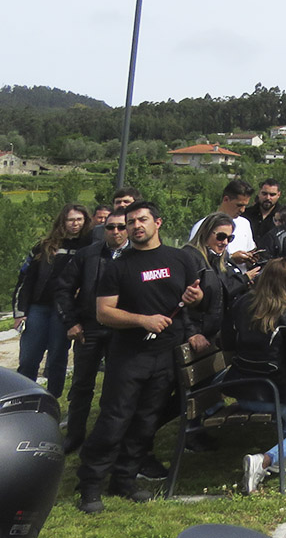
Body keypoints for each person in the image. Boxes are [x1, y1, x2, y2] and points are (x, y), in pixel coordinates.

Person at [76, 201, 205, 514]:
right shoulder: (117, 266)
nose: (135, 226)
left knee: (146, 421)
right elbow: (103, 312)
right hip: (130, 355)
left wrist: (195, 297)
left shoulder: (180, 258)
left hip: (166, 354)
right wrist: (143, 320)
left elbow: (196, 299)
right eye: (130, 221)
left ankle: (125, 478)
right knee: (114, 419)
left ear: (157, 222)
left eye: (141, 220)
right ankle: (90, 484)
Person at [223, 259, 286, 494]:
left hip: (242, 388)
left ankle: (284, 458)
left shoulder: (243, 303)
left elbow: (226, 342)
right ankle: (265, 461)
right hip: (274, 391)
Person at [53, 207, 127, 454]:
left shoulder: (137, 255)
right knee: (82, 385)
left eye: (121, 227)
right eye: (110, 227)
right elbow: (63, 288)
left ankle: (108, 439)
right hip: (89, 327)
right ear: (102, 228)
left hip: (123, 330)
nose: (115, 231)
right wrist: (70, 322)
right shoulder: (87, 255)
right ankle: (74, 435)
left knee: (117, 386)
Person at [14, 203, 91, 398]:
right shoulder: (44, 246)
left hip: (64, 311)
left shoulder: (89, 248)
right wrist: (19, 312)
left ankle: (52, 400)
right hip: (39, 307)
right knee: (29, 357)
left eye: (79, 219)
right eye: (70, 219)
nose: (75, 224)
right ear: (63, 221)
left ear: (85, 221)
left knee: (57, 357)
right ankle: (23, 397)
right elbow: (25, 279)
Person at [184, 213, 258, 351]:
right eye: (221, 236)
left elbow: (225, 289)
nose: (224, 242)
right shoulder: (190, 258)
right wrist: (192, 333)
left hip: (214, 335)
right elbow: (180, 303)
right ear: (205, 232)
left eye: (230, 238)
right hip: (194, 336)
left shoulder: (219, 258)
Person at [191, 179, 258, 264]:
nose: (242, 210)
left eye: (245, 206)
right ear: (226, 199)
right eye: (239, 205)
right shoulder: (204, 225)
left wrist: (250, 258)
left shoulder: (245, 224)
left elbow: (250, 250)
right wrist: (230, 259)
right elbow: (194, 259)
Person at [244, 179, 282, 245]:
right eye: (264, 194)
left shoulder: (283, 217)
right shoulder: (245, 214)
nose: (268, 198)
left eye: (272, 195)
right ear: (259, 193)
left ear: (278, 195)